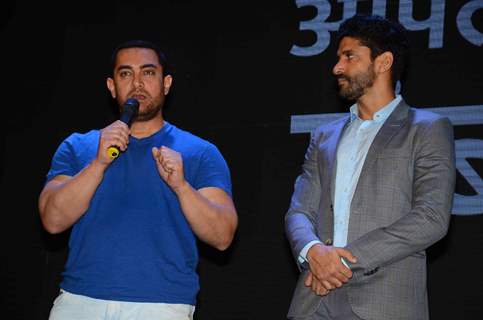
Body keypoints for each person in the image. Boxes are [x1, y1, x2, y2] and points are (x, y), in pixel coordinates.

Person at [38, 40, 238, 320]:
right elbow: (52, 220)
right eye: (125, 74)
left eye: (148, 72)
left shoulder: (199, 152)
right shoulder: (79, 146)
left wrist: (181, 186)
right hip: (79, 302)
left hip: (161, 305)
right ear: (111, 86)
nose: (137, 83)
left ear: (166, 83)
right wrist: (98, 163)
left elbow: (222, 236)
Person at [285, 14, 455, 320]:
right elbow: (299, 211)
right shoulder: (325, 135)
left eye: (349, 57)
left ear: (384, 62)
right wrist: (312, 250)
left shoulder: (427, 128)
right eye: (338, 58)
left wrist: (342, 262)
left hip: (385, 301)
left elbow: (431, 217)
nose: (337, 67)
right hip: (314, 300)